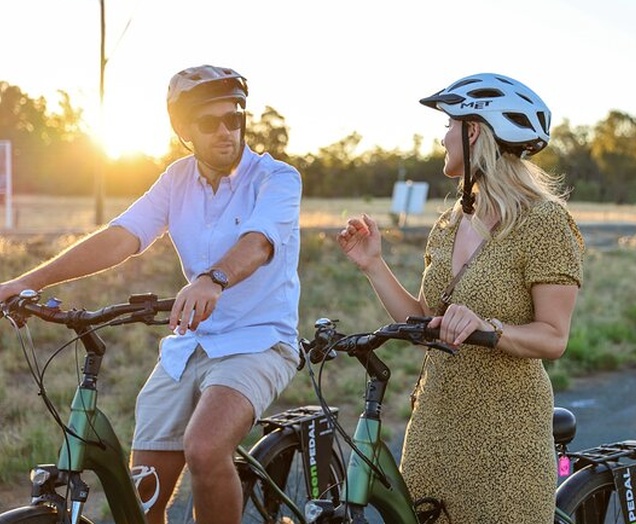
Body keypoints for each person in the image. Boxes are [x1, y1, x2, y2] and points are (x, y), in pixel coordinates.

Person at [0, 64, 302, 524]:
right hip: (189, 344)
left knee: (204, 448)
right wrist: (29, 281)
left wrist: (212, 279)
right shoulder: (176, 179)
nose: (226, 131)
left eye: (235, 118)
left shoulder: (276, 178)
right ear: (184, 129)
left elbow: (259, 242)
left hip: (259, 341)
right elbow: (123, 235)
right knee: (143, 494)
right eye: (210, 122)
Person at [338, 73, 585, 522]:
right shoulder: (452, 222)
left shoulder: (544, 222)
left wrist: (486, 326)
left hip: (506, 441)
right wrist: (373, 264)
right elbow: (423, 321)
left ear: (474, 131)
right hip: (433, 429)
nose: (443, 136)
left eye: (450, 124)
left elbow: (553, 338)